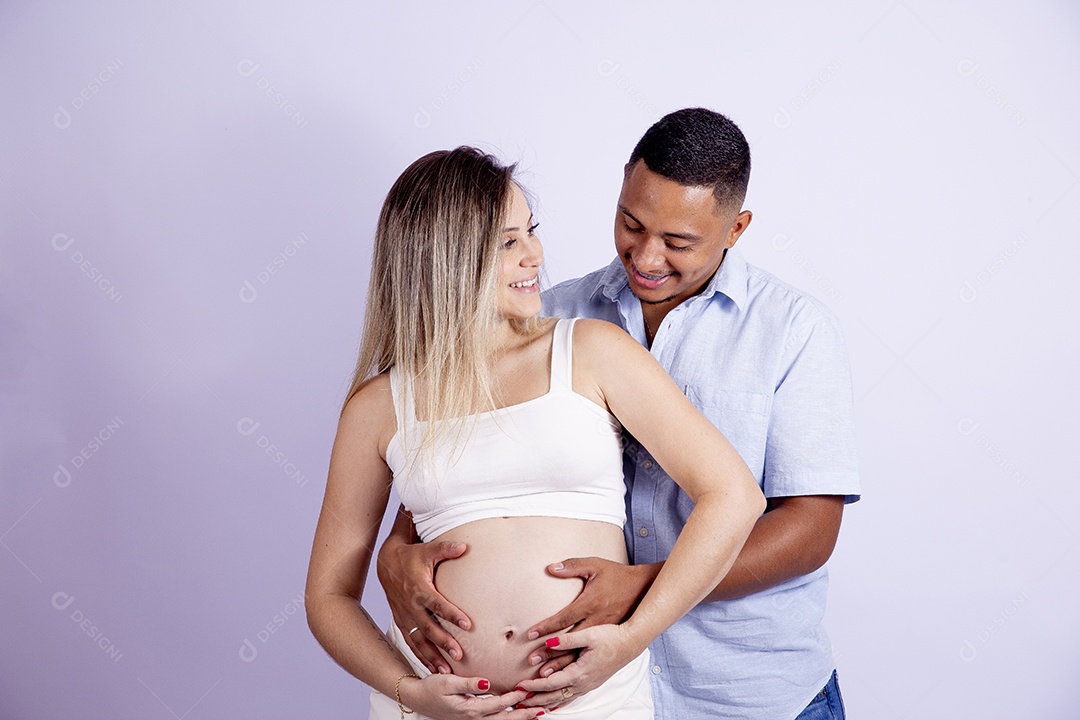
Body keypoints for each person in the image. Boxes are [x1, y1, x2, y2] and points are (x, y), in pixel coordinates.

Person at [378, 110, 861, 720]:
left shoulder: (795, 329)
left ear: (736, 228)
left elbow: (811, 530)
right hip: (590, 699)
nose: (647, 256)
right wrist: (393, 551)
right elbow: (453, 465)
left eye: (678, 242)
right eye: (631, 224)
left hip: (746, 690)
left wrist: (641, 587)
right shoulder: (546, 315)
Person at [305, 146, 766, 720]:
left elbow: (734, 496)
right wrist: (411, 692)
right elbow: (328, 597)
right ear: (443, 258)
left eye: (531, 231)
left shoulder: (591, 352)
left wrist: (631, 638)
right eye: (508, 242)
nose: (536, 255)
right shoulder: (378, 406)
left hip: (593, 701)